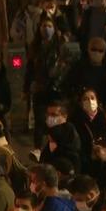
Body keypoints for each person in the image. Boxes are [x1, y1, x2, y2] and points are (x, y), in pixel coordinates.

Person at [24, 15, 69, 151]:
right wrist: (26, 88)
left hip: (56, 90)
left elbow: (65, 68)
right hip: (40, 89)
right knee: (40, 121)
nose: (46, 29)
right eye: (44, 26)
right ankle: (38, 149)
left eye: (49, 26)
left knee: (56, 120)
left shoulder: (60, 47)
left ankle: (57, 147)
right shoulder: (35, 48)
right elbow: (30, 70)